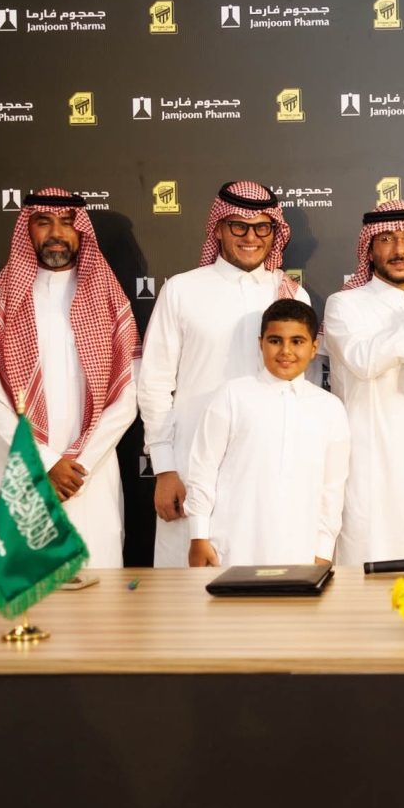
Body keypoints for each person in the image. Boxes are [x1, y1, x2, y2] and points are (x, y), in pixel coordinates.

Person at [0, 189, 138, 567]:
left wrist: (78, 465)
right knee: (26, 588)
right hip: (21, 471)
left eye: (67, 223)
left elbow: (126, 397)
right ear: (27, 230)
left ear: (81, 231)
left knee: (97, 586)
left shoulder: (109, 301)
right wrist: (45, 462)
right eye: (44, 222)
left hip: (89, 477)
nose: (56, 233)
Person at [141, 181, 313, 566]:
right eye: (239, 226)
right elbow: (154, 385)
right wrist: (165, 468)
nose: (251, 237)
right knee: (189, 588)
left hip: (268, 470)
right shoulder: (182, 290)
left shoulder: (291, 294)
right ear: (218, 228)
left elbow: (302, 394)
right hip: (190, 466)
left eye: (262, 227)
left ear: (275, 231)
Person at [322, 200, 404, 564]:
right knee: (362, 572)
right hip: (368, 470)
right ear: (369, 249)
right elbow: (365, 361)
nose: (399, 250)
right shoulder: (343, 304)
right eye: (386, 239)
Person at [184, 299, 350, 568]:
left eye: (297, 341)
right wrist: (198, 535)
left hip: (301, 551)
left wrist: (323, 550)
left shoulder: (330, 408)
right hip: (232, 549)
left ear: (314, 348)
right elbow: (203, 467)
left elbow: (332, 489)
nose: (286, 351)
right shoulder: (233, 395)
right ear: (260, 343)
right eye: (275, 341)